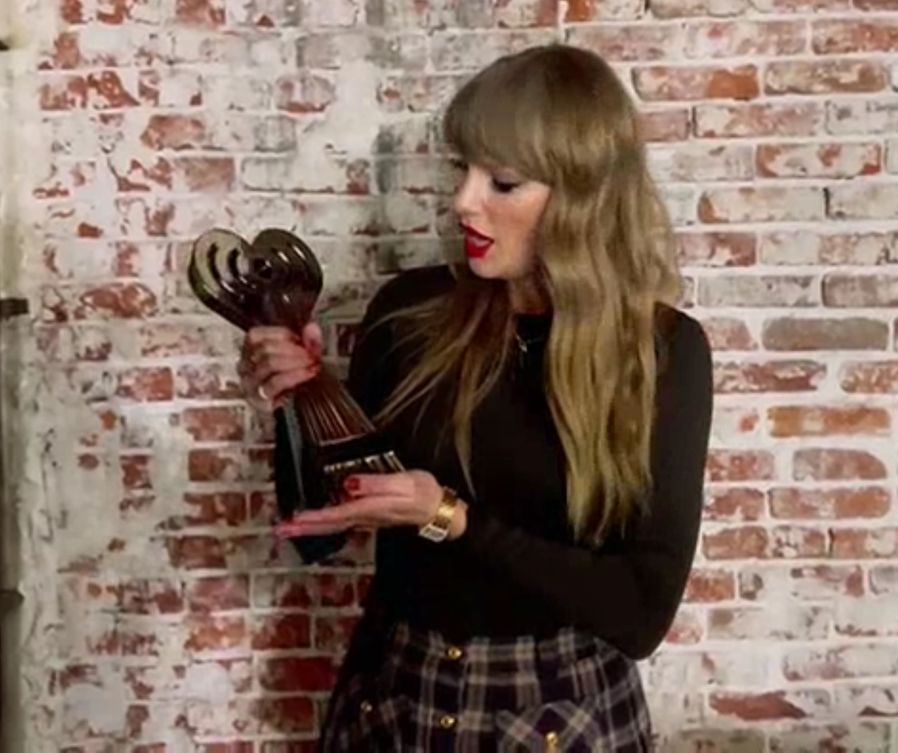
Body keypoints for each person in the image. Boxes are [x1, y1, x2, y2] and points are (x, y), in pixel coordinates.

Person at [238, 43, 713, 753]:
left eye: (504, 181)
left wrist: (449, 516)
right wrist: (302, 404)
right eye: (465, 169)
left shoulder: (664, 352)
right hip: (397, 696)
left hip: (563, 709)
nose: (464, 201)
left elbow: (641, 611)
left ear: (583, 199)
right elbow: (321, 530)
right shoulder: (410, 311)